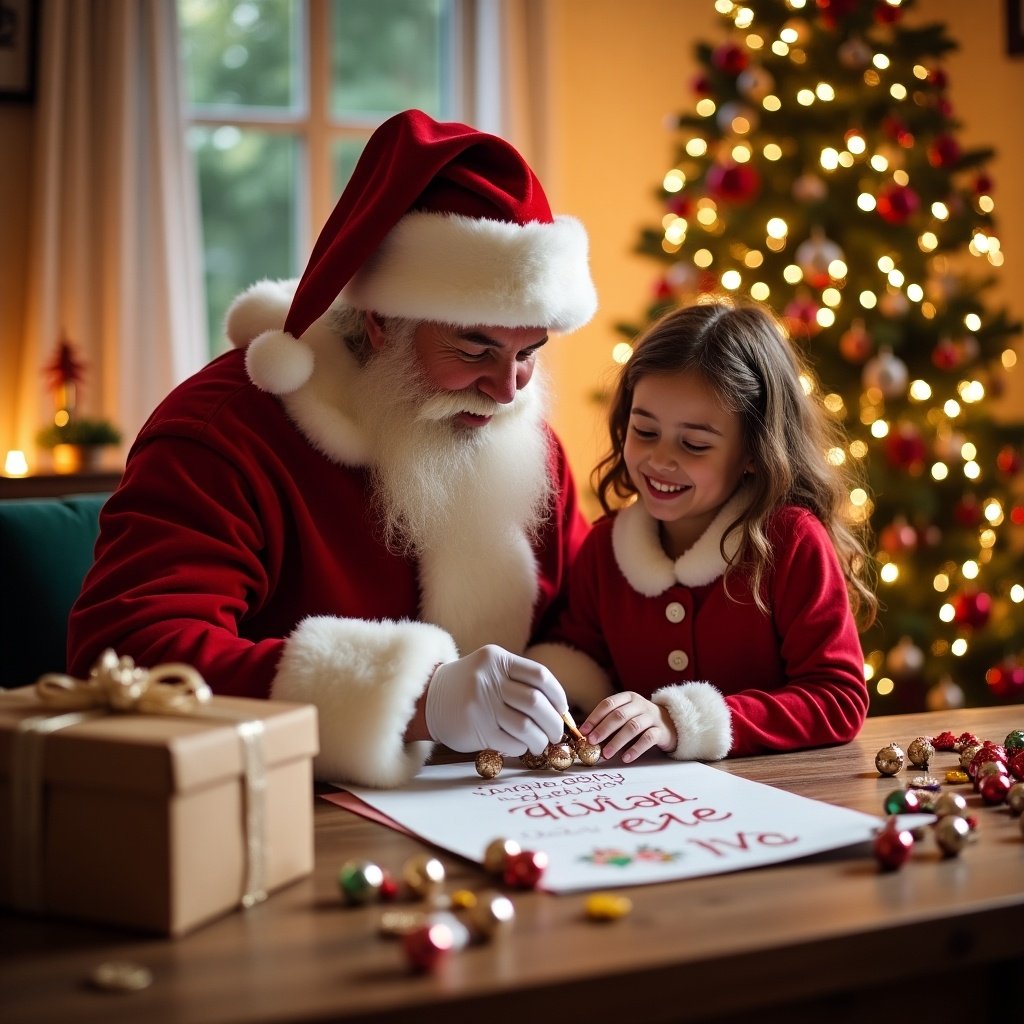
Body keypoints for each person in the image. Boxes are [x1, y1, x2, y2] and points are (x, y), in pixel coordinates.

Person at [66, 109, 598, 788]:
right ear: (381, 321)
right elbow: (127, 655)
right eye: (475, 348)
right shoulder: (227, 431)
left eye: (530, 352)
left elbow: (586, 614)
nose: (506, 391)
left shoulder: (524, 441)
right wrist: (415, 698)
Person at [526, 300, 877, 765]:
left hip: (782, 800)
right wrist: (553, 706)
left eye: (694, 444)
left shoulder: (790, 542)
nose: (660, 460)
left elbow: (839, 700)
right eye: (644, 431)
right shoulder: (604, 550)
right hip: (653, 811)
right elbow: (577, 662)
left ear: (754, 452)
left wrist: (681, 721)